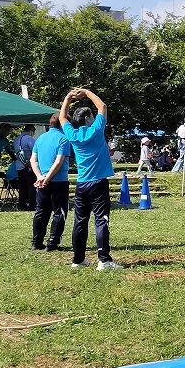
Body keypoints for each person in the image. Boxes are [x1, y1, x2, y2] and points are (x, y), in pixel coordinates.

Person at [59, 86, 123, 271]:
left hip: (82, 184)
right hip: (98, 183)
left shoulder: (72, 134)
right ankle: (104, 260)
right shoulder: (96, 130)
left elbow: (62, 117)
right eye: (92, 116)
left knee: (80, 221)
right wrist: (86, 92)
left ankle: (78, 260)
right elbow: (102, 106)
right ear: (88, 118)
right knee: (101, 220)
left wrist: (68, 98)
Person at [30, 114, 70, 252]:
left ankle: (36, 242)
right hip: (59, 181)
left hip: (42, 181)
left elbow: (33, 160)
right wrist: (47, 178)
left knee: (41, 211)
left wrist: (40, 177)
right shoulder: (63, 139)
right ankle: (52, 242)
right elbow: (58, 162)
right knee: (59, 212)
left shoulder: (40, 138)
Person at [12, 124, 37, 210]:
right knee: (32, 186)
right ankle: (32, 204)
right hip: (28, 166)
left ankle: (22, 204)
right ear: (31, 131)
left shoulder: (17, 139)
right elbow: (35, 150)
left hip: (19, 166)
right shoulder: (29, 139)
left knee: (22, 186)